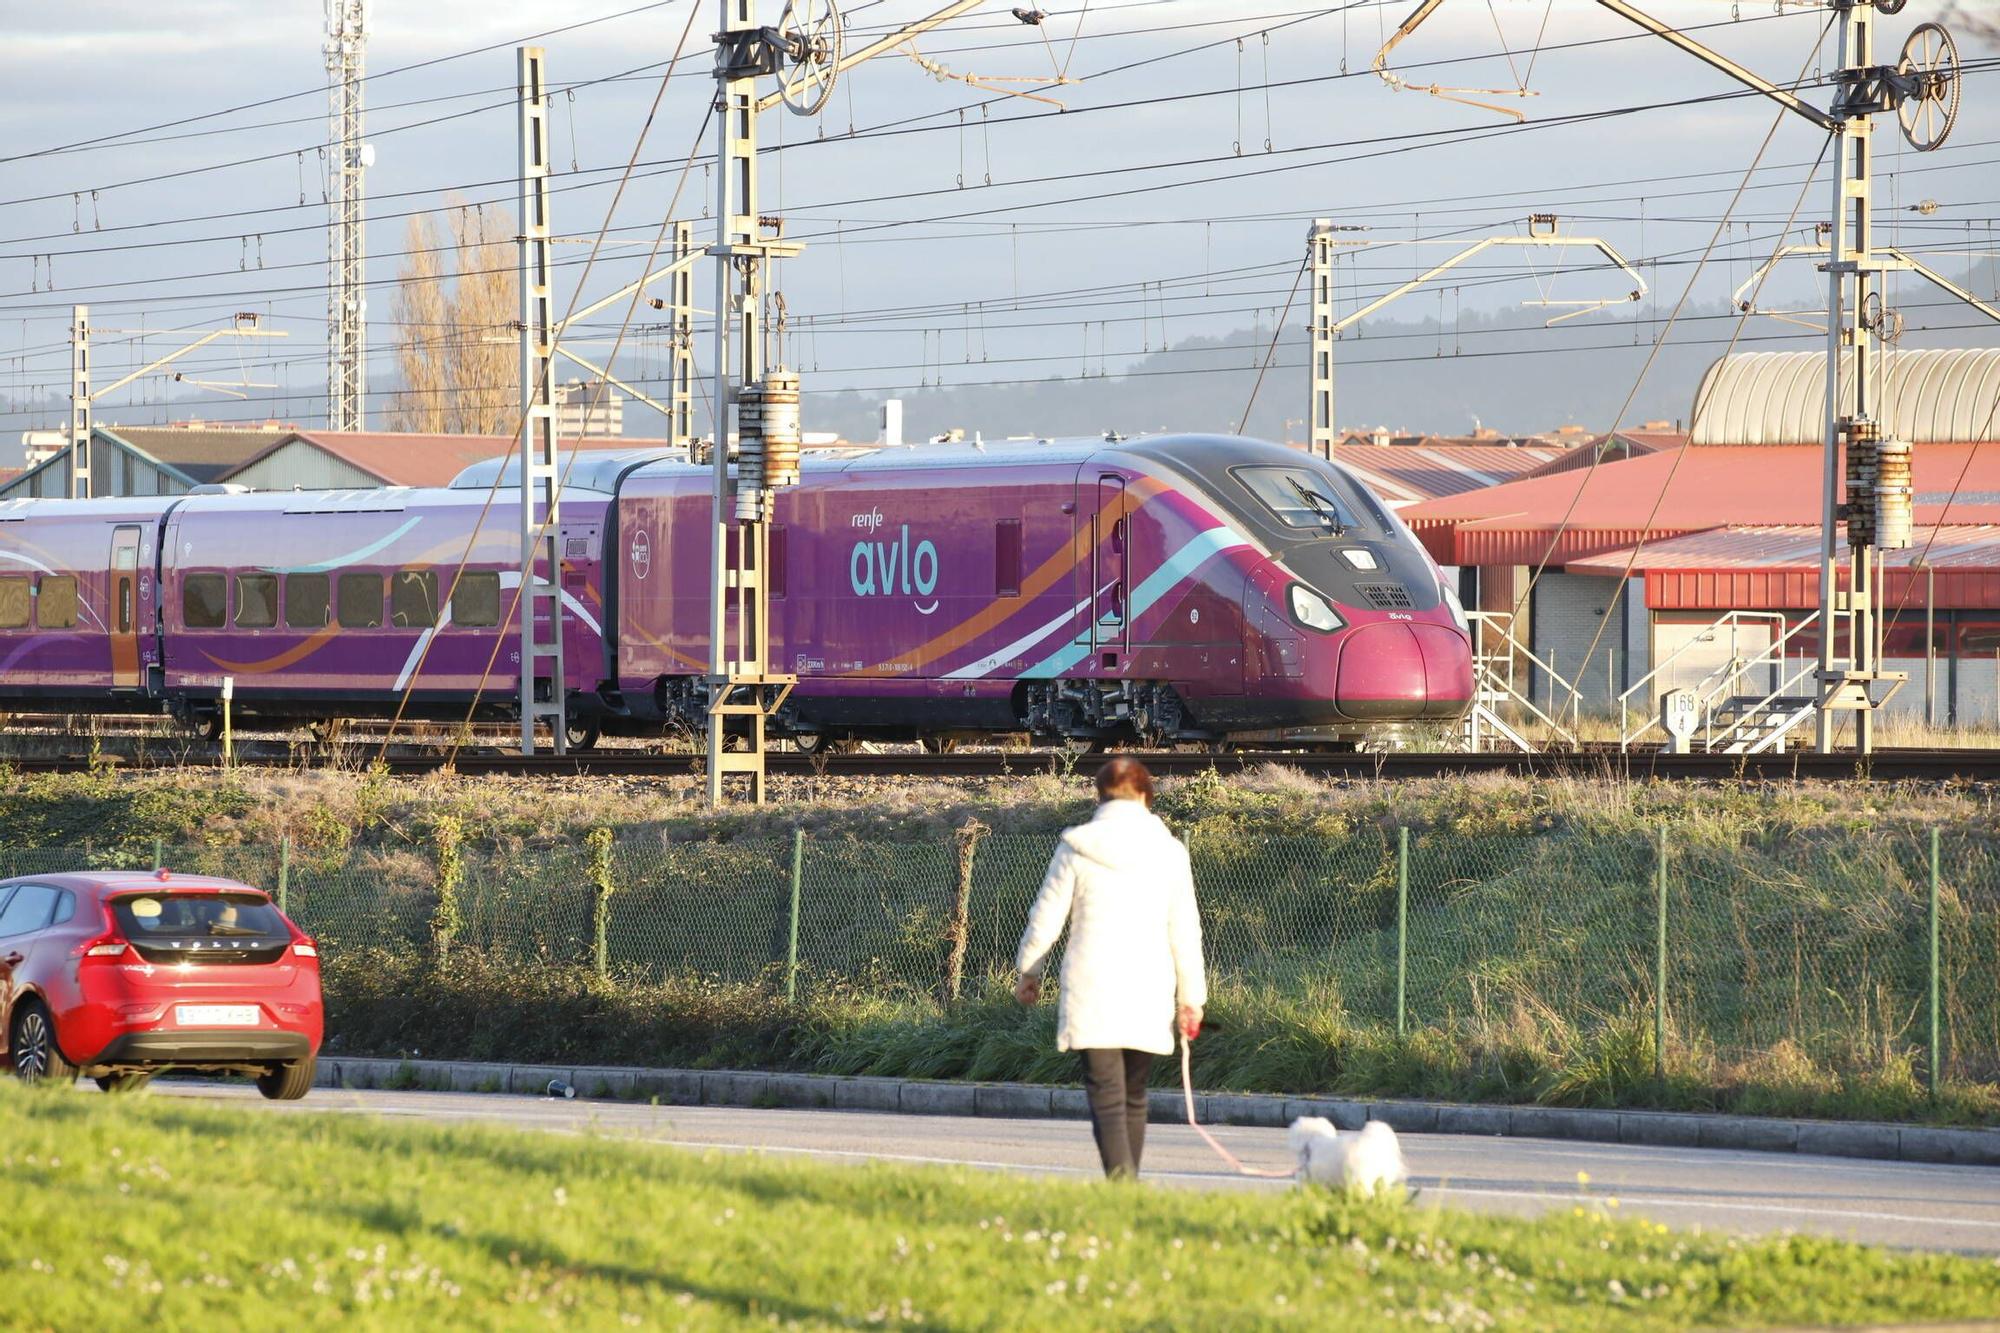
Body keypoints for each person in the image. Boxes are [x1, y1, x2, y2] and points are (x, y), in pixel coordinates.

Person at [1014, 757, 1206, 1180]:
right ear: (1144, 795)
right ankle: (1126, 1183)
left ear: (1100, 796)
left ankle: (1122, 1186)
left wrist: (1030, 972)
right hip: (1149, 983)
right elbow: (1185, 930)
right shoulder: (1170, 852)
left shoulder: (1077, 846)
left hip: (1091, 983)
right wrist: (1192, 998)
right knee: (1135, 1094)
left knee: (1106, 1093)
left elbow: (1046, 917)